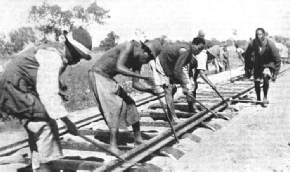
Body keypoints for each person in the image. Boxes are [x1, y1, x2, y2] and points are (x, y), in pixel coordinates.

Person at [0, 27, 92, 171]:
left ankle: (37, 164)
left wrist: (59, 86)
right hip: (15, 89)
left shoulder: (54, 53)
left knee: (39, 127)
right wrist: (68, 123)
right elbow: (48, 94)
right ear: (70, 48)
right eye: (78, 56)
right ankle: (45, 165)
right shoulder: (53, 57)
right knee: (45, 126)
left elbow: (39, 75)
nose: (77, 61)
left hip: (17, 88)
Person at [88, 40, 159, 155]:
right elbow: (119, 67)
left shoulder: (138, 60)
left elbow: (135, 84)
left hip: (108, 78)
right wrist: (143, 76)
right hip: (98, 75)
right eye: (149, 58)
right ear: (145, 50)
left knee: (130, 104)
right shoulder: (129, 46)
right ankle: (113, 147)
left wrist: (150, 90)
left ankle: (138, 139)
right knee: (114, 108)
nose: (147, 62)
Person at [149, 38, 205, 122]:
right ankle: (173, 118)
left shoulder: (189, 54)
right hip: (161, 63)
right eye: (199, 48)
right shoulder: (185, 51)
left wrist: (184, 85)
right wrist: (184, 87)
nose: (199, 51)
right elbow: (177, 70)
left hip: (168, 65)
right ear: (193, 45)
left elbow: (179, 70)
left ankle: (170, 115)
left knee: (173, 88)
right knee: (169, 89)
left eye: (201, 50)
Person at [244, 28, 281, 106]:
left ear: (264, 35)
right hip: (257, 64)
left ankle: (265, 97)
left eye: (260, 34)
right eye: (257, 35)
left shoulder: (270, 44)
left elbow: (277, 58)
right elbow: (247, 57)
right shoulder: (252, 43)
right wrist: (247, 70)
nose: (259, 36)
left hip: (268, 63)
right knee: (257, 81)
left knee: (265, 76)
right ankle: (258, 98)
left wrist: (275, 73)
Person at [188, 44, 220, 112]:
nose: (211, 59)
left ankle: (192, 107)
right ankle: (192, 107)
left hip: (189, 68)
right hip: (186, 67)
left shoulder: (202, 54)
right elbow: (201, 73)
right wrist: (211, 84)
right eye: (212, 57)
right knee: (192, 86)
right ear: (210, 54)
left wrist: (194, 80)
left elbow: (197, 71)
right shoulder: (203, 56)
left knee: (194, 85)